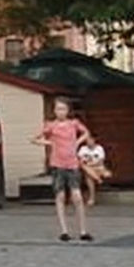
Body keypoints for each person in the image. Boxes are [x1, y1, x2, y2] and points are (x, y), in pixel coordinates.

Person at [32, 98, 91, 241]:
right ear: (54, 111)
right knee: (60, 196)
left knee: (77, 196)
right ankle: (64, 230)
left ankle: (83, 230)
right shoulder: (51, 126)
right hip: (58, 164)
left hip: (72, 164)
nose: (61, 112)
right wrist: (49, 143)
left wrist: (77, 142)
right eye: (58, 109)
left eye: (63, 109)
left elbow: (86, 133)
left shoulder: (73, 124)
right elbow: (35, 139)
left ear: (68, 110)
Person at [77, 134, 110, 207]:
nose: (89, 142)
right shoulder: (83, 149)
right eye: (87, 140)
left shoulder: (99, 148)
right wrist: (87, 165)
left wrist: (90, 165)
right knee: (87, 174)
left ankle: (92, 198)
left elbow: (100, 161)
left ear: (94, 140)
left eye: (90, 140)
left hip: (97, 167)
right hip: (86, 168)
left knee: (88, 173)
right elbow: (80, 161)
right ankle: (97, 180)